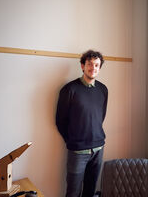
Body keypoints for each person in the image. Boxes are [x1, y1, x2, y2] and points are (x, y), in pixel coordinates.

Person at [56, 50, 108, 197]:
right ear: (82, 66)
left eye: (97, 65)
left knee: (90, 191)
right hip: (78, 151)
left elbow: (101, 116)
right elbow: (60, 120)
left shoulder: (103, 90)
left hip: (98, 149)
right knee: (73, 192)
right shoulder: (69, 89)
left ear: (99, 68)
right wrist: (73, 140)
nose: (93, 68)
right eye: (90, 64)